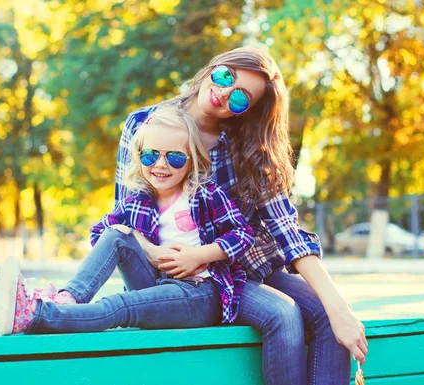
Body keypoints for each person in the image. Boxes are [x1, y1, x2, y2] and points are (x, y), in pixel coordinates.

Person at [115, 47, 368, 385]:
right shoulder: (143, 124)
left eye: (239, 99)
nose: (223, 94)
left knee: (326, 313)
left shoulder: (248, 145)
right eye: (224, 76)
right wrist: (166, 256)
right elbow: (125, 216)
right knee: (282, 312)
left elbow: (286, 230)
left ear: (246, 111)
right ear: (212, 68)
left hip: (242, 267)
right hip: (175, 274)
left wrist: (340, 308)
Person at [0, 107, 254, 336]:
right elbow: (100, 234)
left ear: (191, 160)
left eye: (174, 157)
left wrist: (199, 256)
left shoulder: (205, 193)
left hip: (198, 294)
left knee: (120, 304)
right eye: (150, 156)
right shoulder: (138, 201)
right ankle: (68, 298)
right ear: (139, 156)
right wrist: (146, 248)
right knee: (116, 233)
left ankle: (37, 316)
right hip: (155, 284)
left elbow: (243, 234)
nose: (160, 165)